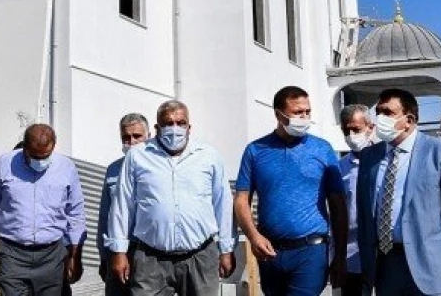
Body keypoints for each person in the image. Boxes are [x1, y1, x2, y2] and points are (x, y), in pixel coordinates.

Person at [107, 100, 236, 295]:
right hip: (150, 257)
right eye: (167, 123)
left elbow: (223, 204)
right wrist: (119, 251)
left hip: (200, 255)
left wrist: (226, 249)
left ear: (189, 127)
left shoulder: (209, 157)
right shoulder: (138, 156)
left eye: (180, 123)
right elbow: (122, 205)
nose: (174, 128)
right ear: (157, 127)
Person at [356, 88, 441, 295]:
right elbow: (365, 215)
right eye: (378, 112)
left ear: (409, 119)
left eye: (388, 113)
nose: (380, 118)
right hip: (385, 264)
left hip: (430, 264)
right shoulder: (369, 156)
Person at [233, 86, 347, 295]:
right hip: (270, 252)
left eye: (307, 112)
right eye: (297, 112)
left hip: (310, 251)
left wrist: (340, 255)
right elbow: (241, 200)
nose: (304, 117)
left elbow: (338, 204)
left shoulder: (323, 149)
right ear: (278, 114)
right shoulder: (255, 151)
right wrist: (253, 236)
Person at [0, 124, 86, 295]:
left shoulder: (66, 168)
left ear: (53, 146)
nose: (41, 162)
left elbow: (76, 214)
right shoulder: (5, 164)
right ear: (25, 148)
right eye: (35, 156)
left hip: (51, 256)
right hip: (13, 255)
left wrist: (75, 256)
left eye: (46, 156)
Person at [96, 113, 150, 295]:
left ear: (148, 136)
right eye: (126, 137)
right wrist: (104, 256)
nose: (132, 142)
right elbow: (106, 215)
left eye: (137, 136)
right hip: (119, 250)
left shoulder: (159, 168)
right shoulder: (113, 170)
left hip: (149, 252)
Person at [338, 104, 375, 296]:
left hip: (384, 254)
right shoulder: (339, 168)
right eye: (347, 130)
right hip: (352, 255)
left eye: (357, 129)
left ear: (371, 127)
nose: (352, 135)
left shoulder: (385, 160)